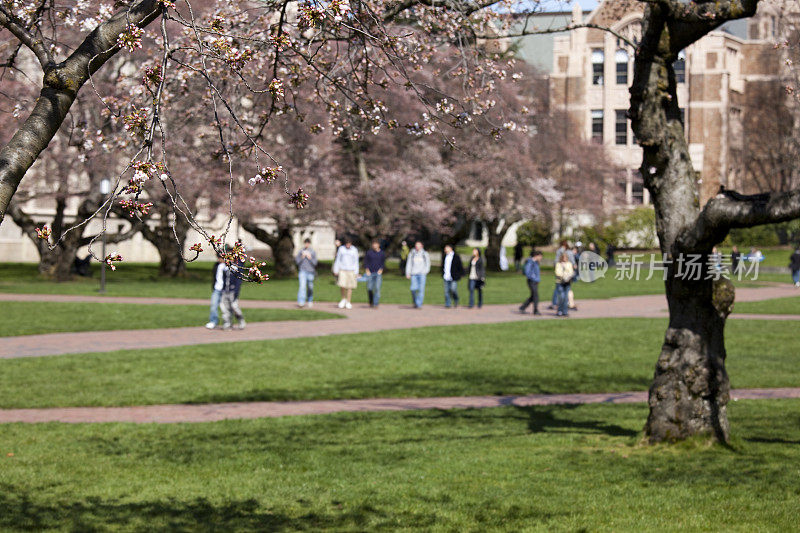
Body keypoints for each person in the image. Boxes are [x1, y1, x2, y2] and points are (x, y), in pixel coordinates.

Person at [332, 239, 359, 309]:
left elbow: (356, 261)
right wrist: (336, 269)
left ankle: (348, 301)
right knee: (342, 285)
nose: (348, 245)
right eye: (347, 243)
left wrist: (356, 271)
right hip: (342, 270)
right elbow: (338, 259)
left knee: (350, 287)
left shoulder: (354, 250)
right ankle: (343, 299)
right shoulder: (341, 249)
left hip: (351, 270)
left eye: (349, 243)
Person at [220, 258, 246, 330]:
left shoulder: (236, 268)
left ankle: (240, 320)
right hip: (225, 290)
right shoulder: (225, 268)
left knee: (234, 306)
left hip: (233, 291)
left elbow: (238, 281)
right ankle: (227, 322)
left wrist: (236, 291)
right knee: (224, 307)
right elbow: (224, 279)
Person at [405, 240, 431, 308]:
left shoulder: (425, 254)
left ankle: (419, 304)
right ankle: (415, 301)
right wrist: (408, 273)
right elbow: (409, 263)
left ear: (422, 246)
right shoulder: (412, 253)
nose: (417, 246)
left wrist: (425, 271)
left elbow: (428, 264)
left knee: (421, 289)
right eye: (416, 245)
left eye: (418, 245)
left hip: (422, 274)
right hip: (414, 274)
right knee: (413, 289)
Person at [205, 253, 226, 329]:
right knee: (213, 305)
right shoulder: (216, 265)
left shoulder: (228, 267)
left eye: (220, 258)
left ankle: (226, 322)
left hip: (225, 290)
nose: (219, 259)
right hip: (217, 289)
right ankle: (213, 321)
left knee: (225, 307)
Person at [519, 249, 542, 315]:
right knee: (535, 296)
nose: (541, 258)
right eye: (540, 256)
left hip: (535, 281)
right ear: (536, 256)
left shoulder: (536, 262)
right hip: (532, 281)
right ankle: (535, 310)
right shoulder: (530, 262)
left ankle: (522, 307)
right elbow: (527, 272)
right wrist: (533, 277)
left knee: (533, 296)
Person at [441, 244, 464, 308]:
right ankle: (448, 303)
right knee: (446, 291)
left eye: (446, 248)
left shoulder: (456, 256)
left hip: (453, 276)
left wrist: (461, 273)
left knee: (453, 289)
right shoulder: (444, 257)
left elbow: (460, 265)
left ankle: (456, 299)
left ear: (451, 248)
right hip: (446, 276)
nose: (445, 249)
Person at [364, 240, 386, 307]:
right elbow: (366, 262)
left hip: (378, 273)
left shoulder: (382, 253)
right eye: (373, 244)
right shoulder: (369, 253)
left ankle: (376, 303)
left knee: (377, 288)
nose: (374, 246)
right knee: (369, 288)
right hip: (370, 273)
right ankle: (371, 301)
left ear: (378, 245)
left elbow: (383, 262)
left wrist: (381, 269)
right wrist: (367, 269)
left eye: (376, 244)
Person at [554, 252, 575, 317]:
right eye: (563, 257)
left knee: (566, 297)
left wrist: (568, 276)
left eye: (566, 257)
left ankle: (565, 311)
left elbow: (571, 272)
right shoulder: (558, 264)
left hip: (567, 282)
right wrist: (563, 276)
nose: (565, 259)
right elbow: (557, 273)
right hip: (560, 282)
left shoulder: (569, 264)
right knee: (561, 296)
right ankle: (559, 311)